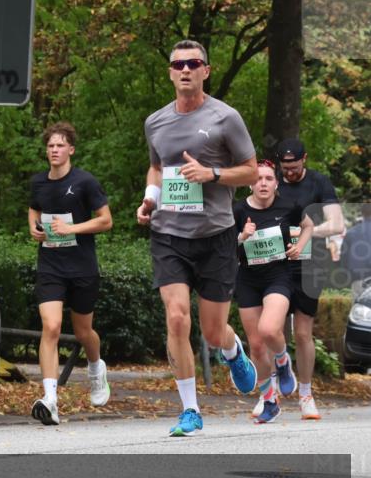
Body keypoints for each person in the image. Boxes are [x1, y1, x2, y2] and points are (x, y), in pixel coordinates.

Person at [136, 39, 259, 437]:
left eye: (193, 63)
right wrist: (150, 200)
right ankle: (190, 410)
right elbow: (156, 168)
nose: (185, 70)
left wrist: (213, 175)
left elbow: (252, 172)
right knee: (175, 318)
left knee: (210, 330)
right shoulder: (155, 122)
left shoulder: (226, 118)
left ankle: (231, 349)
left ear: (206, 70)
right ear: (170, 73)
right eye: (178, 64)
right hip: (168, 233)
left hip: (216, 235)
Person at [27, 122, 113, 426]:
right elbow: (34, 208)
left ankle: (95, 366)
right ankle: (50, 400)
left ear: (71, 150)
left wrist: (72, 228)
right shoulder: (39, 182)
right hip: (50, 264)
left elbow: (105, 221)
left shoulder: (85, 182)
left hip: (82, 266)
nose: (54, 150)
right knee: (50, 327)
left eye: (60, 145)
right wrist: (34, 227)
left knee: (82, 332)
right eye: (50, 145)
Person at [233, 161, 313, 423]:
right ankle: (269, 401)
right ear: (250, 183)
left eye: (269, 178)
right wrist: (242, 236)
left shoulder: (288, 206)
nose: (263, 183)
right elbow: (224, 247)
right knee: (256, 345)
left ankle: (282, 361)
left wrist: (299, 246)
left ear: (277, 183)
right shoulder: (238, 210)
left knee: (269, 330)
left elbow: (309, 226)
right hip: (248, 279)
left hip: (278, 276)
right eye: (258, 179)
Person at [273, 137, 345, 420]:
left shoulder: (319, 183)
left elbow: (336, 223)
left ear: (304, 159)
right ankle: (273, 393)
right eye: (285, 167)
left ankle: (305, 394)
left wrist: (304, 234)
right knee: (273, 330)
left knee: (303, 333)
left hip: (310, 264)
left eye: (294, 166)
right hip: (276, 263)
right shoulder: (273, 181)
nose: (289, 172)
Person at [342, 204, 371, 294]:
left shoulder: (351, 232)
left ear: (362, 213)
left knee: (359, 305)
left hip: (358, 277)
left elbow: (344, 257)